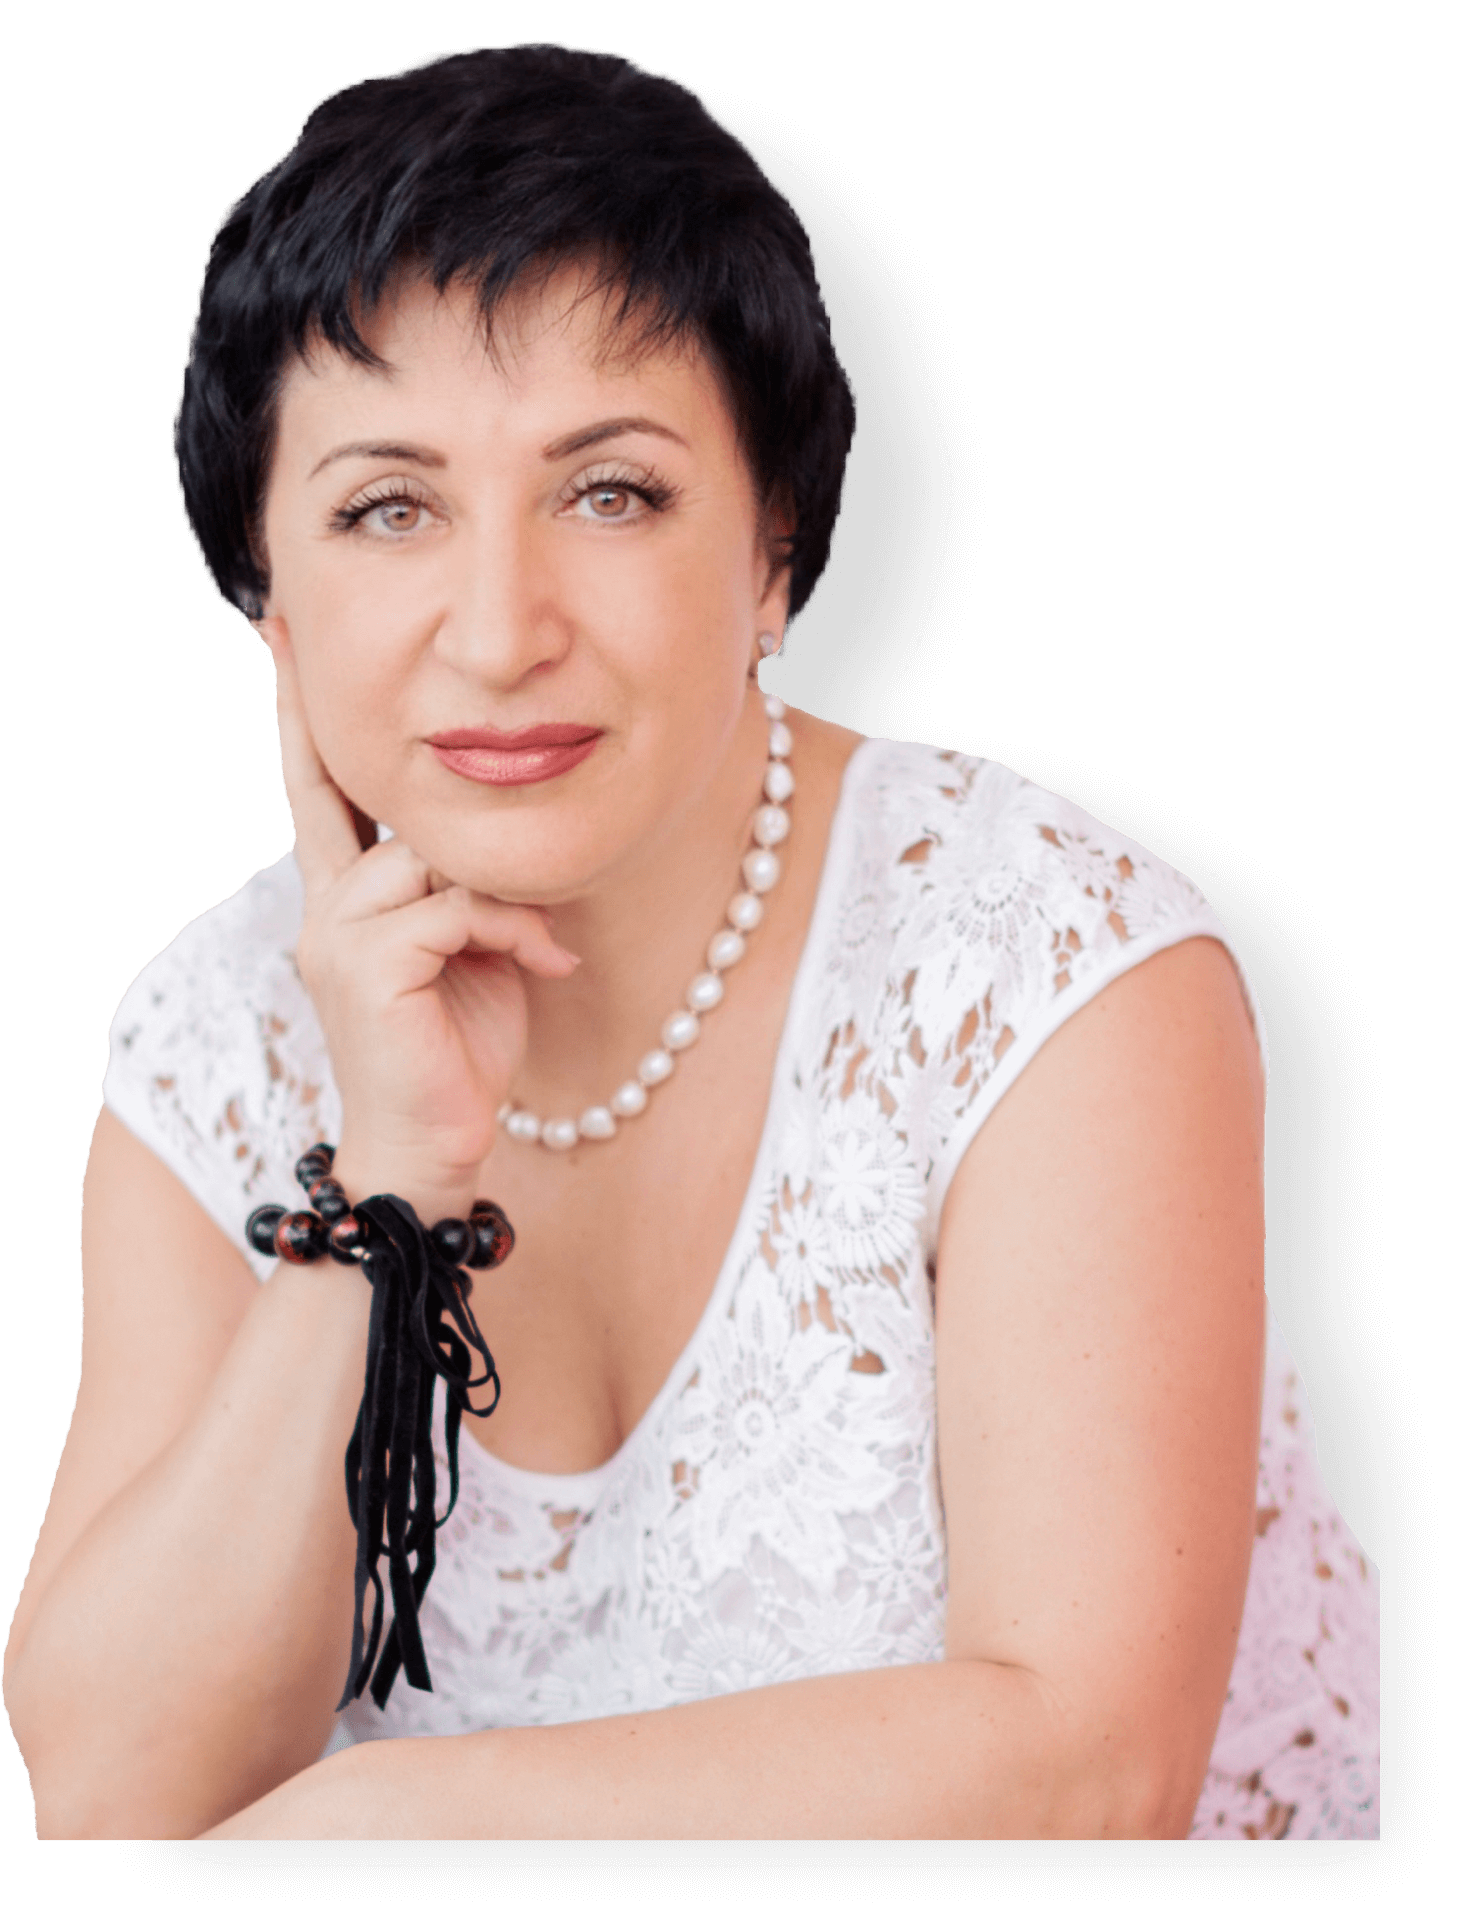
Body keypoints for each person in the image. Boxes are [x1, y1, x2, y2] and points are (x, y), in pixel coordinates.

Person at [2, 44, 1379, 1841]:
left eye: (612, 492)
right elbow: (114, 1793)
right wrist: (388, 1185)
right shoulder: (216, 1028)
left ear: (775, 557)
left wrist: (388, 1824)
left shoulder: (1045, 957)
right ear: (265, 592)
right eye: (388, 509)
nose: (498, 632)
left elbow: (1088, 1772)